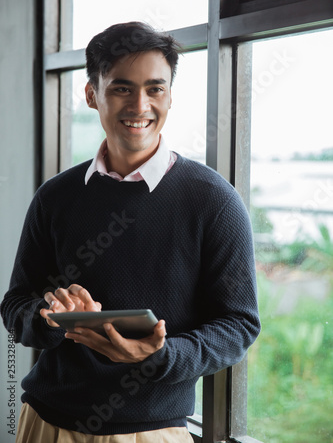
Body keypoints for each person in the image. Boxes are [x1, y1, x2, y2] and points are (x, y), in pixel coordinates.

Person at [1, 22, 260, 443]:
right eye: (122, 88)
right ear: (91, 95)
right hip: (45, 424)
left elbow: (239, 325)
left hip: (154, 432)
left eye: (155, 89)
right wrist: (49, 316)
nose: (140, 105)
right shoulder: (55, 196)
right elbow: (15, 305)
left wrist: (161, 356)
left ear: (170, 97)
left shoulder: (214, 200)